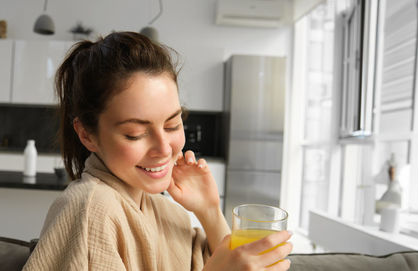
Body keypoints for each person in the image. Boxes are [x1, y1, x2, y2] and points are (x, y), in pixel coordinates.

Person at [23, 32, 292, 271]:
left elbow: (220, 259)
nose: (165, 148)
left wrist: (209, 210)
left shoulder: (167, 212)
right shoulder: (92, 210)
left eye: (173, 124)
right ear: (87, 135)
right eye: (136, 134)